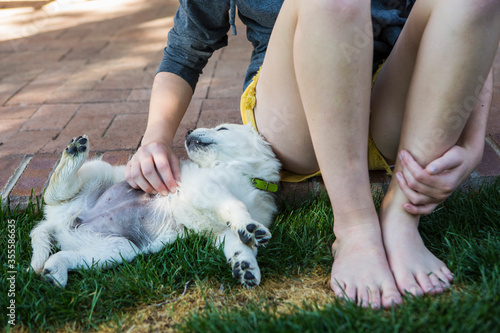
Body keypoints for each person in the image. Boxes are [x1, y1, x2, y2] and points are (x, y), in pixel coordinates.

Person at [126, 0, 500, 308]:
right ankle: (354, 228)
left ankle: (402, 217)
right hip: (294, 115)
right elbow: (186, 48)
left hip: (393, 102)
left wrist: (471, 143)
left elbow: (462, 34)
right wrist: (154, 138)